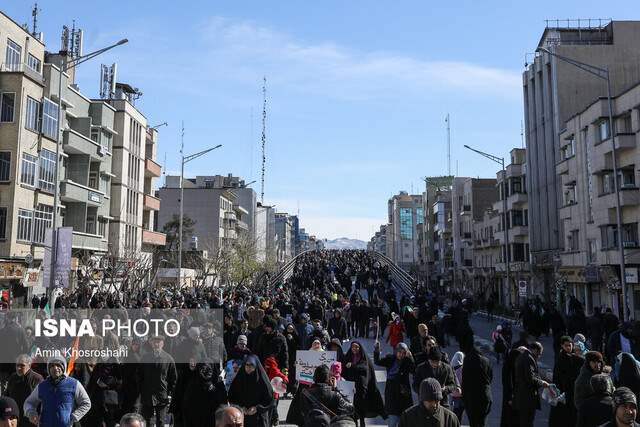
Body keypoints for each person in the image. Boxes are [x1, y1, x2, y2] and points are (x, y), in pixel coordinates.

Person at [23, 356, 91, 427]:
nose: (55, 368)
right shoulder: (42, 386)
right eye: (52, 365)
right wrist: (31, 412)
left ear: (63, 367)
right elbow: (29, 402)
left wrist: (74, 417)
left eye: (58, 365)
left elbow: (86, 403)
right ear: (48, 369)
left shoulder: (74, 384)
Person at [342, 341, 386, 427]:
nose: (354, 349)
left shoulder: (364, 358)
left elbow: (364, 368)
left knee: (360, 406)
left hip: (361, 388)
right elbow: (343, 369)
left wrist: (353, 366)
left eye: (356, 347)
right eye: (353, 347)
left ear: (360, 348)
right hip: (350, 387)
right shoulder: (348, 356)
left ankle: (362, 422)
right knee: (351, 407)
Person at [373, 342, 415, 427]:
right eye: (399, 352)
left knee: (404, 422)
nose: (401, 355)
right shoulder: (390, 359)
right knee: (392, 422)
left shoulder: (407, 362)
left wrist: (411, 357)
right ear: (396, 351)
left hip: (404, 396)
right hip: (391, 394)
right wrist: (376, 350)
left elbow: (414, 370)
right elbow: (377, 362)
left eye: (403, 353)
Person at [139, 335, 178, 427]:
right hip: (147, 394)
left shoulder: (168, 358)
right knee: (147, 421)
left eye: (159, 342)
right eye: (154, 342)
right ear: (151, 343)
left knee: (160, 421)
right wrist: (141, 389)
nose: (156, 344)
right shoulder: (145, 357)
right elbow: (139, 375)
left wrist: (169, 392)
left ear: (163, 344)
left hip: (161, 395)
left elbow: (173, 378)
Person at [228, 355, 274, 427]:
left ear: (256, 366)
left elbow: (269, 400)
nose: (249, 367)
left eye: (252, 365)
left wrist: (257, 408)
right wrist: (240, 407)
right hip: (242, 417)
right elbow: (232, 397)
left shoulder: (262, 381)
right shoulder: (239, 380)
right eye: (247, 364)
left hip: (259, 419)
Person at [182, 359, 228, 427]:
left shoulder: (218, 384)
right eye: (203, 369)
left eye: (209, 370)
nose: (206, 372)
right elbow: (187, 408)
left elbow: (223, 405)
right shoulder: (193, 385)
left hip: (214, 421)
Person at [513, 342, 549, 427]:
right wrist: (542, 383)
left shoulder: (522, 357)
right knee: (527, 422)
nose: (539, 356)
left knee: (525, 422)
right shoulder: (528, 359)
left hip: (522, 396)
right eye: (539, 354)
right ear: (535, 350)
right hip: (527, 397)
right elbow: (530, 378)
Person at [549, 336, 583, 427]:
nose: (568, 347)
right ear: (562, 346)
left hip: (570, 393)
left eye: (570, 345)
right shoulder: (562, 358)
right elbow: (559, 377)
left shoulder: (574, 358)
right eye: (566, 345)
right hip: (564, 393)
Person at [461, 337, 492, 427]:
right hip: (485, 396)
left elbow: (465, 379)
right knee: (482, 422)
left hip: (471, 397)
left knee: (473, 422)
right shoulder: (486, 361)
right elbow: (490, 378)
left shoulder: (467, 359)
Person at [5, 354, 42, 427]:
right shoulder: (13, 378)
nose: (19, 368)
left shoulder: (37, 379)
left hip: (30, 420)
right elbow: (7, 397)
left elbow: (42, 402)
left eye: (22, 365)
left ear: (29, 365)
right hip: (15, 419)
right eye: (17, 365)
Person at [450, 351, 464, 422]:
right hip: (461, 394)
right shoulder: (462, 369)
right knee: (460, 412)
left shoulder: (451, 367)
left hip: (454, 394)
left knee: (455, 411)